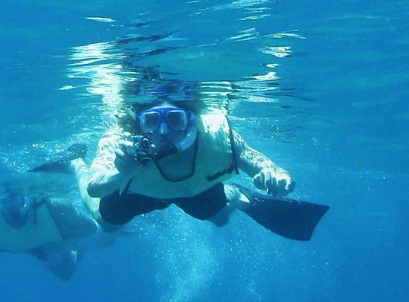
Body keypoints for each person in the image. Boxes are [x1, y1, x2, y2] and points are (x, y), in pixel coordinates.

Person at [83, 98, 328, 241]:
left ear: (191, 120)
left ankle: (234, 193)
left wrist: (279, 177)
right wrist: (121, 172)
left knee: (220, 220)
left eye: (175, 120)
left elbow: (261, 163)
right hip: (138, 190)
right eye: (152, 122)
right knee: (105, 224)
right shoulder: (120, 141)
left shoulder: (214, 134)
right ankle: (75, 164)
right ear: (139, 124)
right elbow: (95, 187)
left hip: (193, 187)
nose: (164, 132)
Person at [0, 149, 119, 280]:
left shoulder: (56, 209)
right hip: (39, 241)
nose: (10, 208)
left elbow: (93, 229)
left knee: (107, 235)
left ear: (28, 199)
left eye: (16, 200)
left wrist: (65, 243)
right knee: (63, 272)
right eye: (2, 201)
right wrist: (34, 250)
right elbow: (4, 244)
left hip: (69, 234)